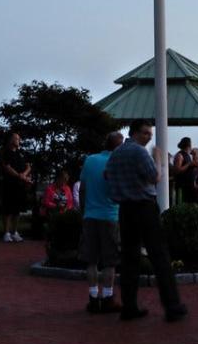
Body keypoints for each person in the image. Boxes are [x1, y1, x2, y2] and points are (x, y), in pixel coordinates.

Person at [106, 119, 187, 322]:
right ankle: (172, 306)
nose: (149, 136)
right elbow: (154, 177)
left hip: (125, 209)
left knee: (129, 259)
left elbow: (106, 174)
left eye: (150, 133)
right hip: (144, 207)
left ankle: (129, 306)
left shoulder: (116, 153)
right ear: (133, 132)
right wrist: (158, 160)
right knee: (159, 256)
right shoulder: (140, 152)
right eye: (145, 133)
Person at [79, 132, 124, 314]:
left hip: (90, 215)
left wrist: (84, 211)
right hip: (110, 216)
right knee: (110, 261)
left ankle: (92, 298)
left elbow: (82, 188)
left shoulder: (90, 160)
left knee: (91, 260)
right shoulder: (117, 164)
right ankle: (108, 297)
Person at [1, 132, 31, 242]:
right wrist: (19, 176)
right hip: (9, 185)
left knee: (17, 210)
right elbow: (7, 167)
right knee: (8, 209)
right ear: (11, 140)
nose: (19, 140)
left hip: (20, 185)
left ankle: (15, 232)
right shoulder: (6, 152)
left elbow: (28, 166)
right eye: (16, 138)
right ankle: (7, 233)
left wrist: (24, 175)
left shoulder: (21, 153)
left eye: (19, 138)